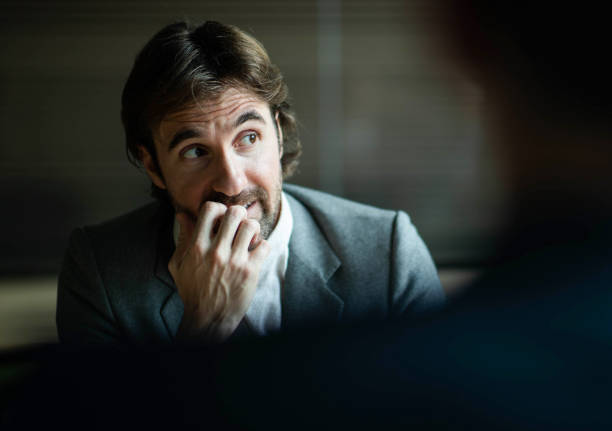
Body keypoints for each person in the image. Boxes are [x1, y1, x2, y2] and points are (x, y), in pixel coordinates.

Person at [55, 20, 443, 344]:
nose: (232, 181)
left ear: (277, 134)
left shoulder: (388, 252)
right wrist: (204, 327)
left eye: (249, 138)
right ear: (153, 166)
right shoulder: (99, 271)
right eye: (194, 151)